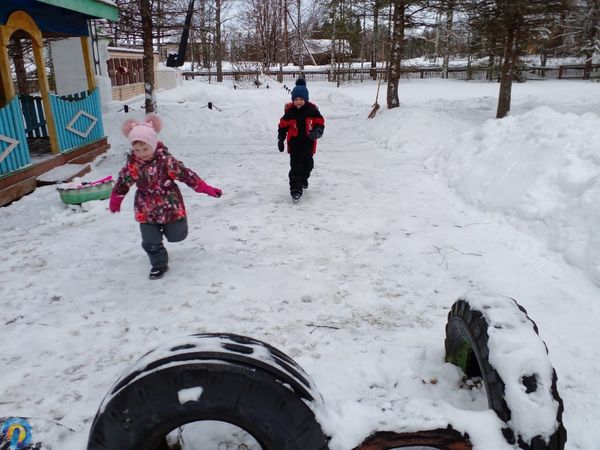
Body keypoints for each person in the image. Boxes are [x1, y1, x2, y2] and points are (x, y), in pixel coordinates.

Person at [108, 114, 222, 279]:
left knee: (177, 236)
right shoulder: (133, 165)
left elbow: (187, 175)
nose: (141, 153)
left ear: (153, 145)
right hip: (146, 209)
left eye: (145, 148)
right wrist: (115, 200)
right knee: (150, 242)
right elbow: (122, 183)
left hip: (170, 206)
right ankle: (159, 265)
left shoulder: (166, 162)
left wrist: (206, 188)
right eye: (137, 150)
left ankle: (176, 228)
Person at [277, 78, 325, 201]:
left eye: (301, 99)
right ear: (293, 100)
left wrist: (318, 131)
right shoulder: (290, 112)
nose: (298, 102)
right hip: (294, 145)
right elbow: (282, 126)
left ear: (306, 99)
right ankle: (295, 190)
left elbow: (320, 122)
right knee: (295, 168)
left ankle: (304, 179)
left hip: (309, 144)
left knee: (308, 166)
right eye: (296, 99)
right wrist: (280, 139)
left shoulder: (312, 110)